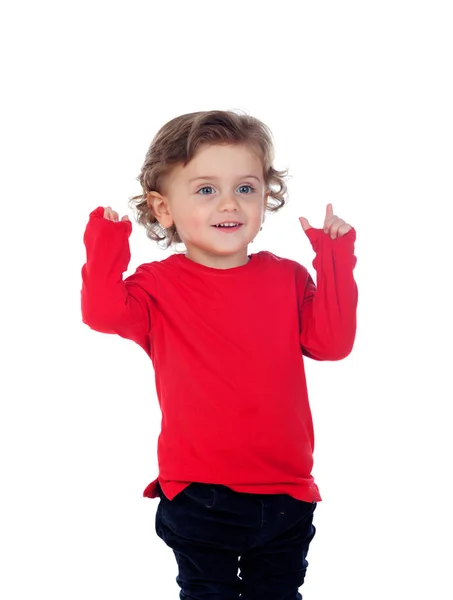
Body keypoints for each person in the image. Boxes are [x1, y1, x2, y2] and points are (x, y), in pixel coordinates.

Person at [81, 109, 358, 599]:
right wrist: (107, 242)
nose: (229, 203)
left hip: (286, 490)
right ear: (163, 209)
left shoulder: (289, 278)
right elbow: (102, 313)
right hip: (198, 492)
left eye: (245, 188)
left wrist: (333, 259)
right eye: (206, 189)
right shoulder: (157, 286)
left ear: (264, 198)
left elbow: (330, 345)